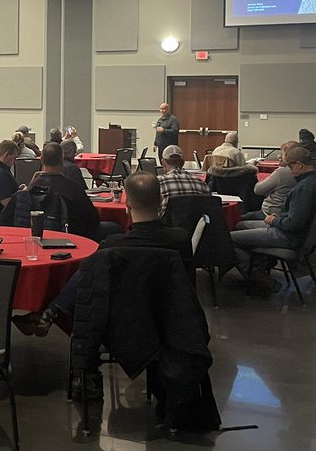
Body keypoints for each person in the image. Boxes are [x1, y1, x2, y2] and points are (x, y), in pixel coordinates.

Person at [13, 172, 196, 334]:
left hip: (123, 322)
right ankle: (49, 312)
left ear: (127, 205)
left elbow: (88, 286)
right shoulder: (181, 239)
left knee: (86, 270)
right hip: (174, 320)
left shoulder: (113, 245)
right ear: (161, 200)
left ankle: (50, 312)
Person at [230, 146, 316, 291]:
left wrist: (274, 220)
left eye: (291, 166)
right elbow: (300, 215)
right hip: (302, 236)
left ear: (299, 164)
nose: (290, 171)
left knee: (229, 238)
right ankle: (259, 264)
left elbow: (294, 224)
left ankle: (256, 274)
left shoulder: (304, 188)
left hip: (288, 236)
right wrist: (279, 217)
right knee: (240, 225)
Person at [17, 142, 104, 241]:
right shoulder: (73, 189)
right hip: (73, 236)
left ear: (41, 160)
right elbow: (93, 219)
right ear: (62, 159)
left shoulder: (31, 189)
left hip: (35, 236)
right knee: (114, 227)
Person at [241, 141, 299, 222]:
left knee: (238, 220)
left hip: (270, 214)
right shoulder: (302, 173)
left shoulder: (282, 172)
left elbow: (258, 190)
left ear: (286, 155)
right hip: (286, 213)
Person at [157, 145, 210, 215]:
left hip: (167, 225)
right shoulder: (201, 183)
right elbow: (209, 209)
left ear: (163, 162)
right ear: (183, 162)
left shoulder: (157, 183)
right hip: (196, 225)